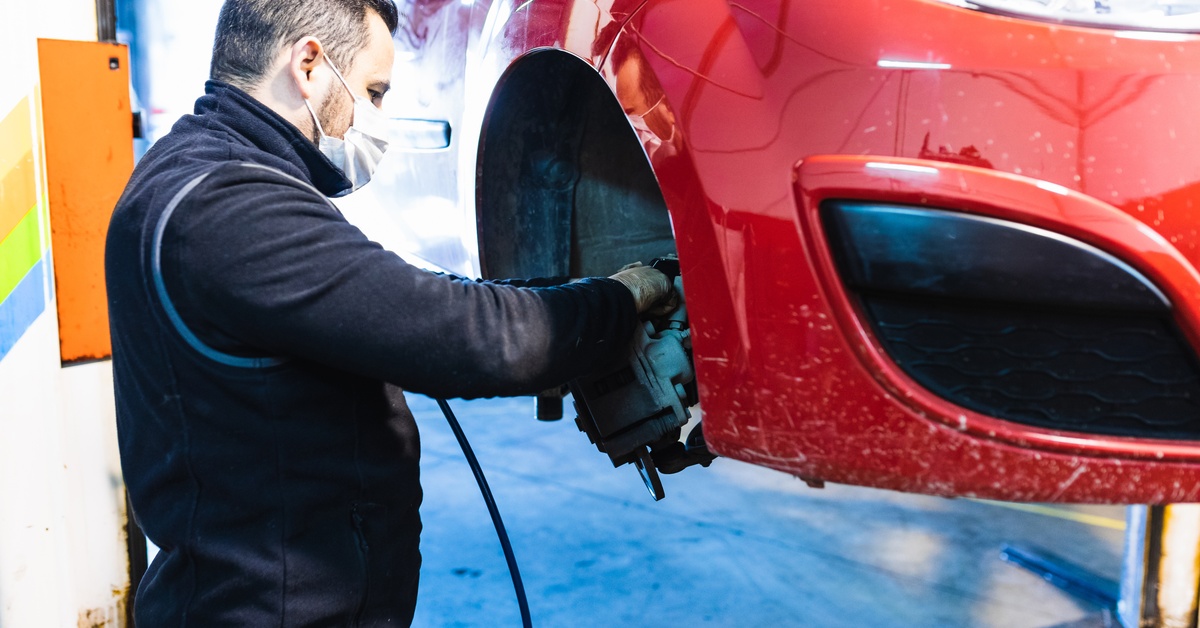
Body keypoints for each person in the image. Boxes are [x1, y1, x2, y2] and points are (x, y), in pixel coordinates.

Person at [104, 0, 672, 624]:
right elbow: (468, 338)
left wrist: (569, 291)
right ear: (310, 65)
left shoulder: (191, 172)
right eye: (374, 92)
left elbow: (397, 299)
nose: (379, 119)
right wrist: (620, 298)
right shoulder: (231, 210)